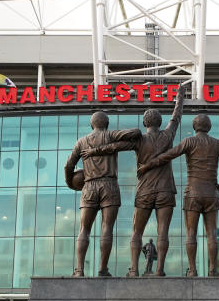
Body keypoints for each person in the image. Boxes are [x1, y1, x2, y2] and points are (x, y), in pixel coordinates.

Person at [80, 84, 186, 276]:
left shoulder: (138, 140)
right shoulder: (168, 135)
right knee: (163, 232)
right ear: (159, 122)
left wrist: (93, 151)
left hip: (144, 190)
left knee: (137, 232)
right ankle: (160, 270)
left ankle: (134, 269)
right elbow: (176, 117)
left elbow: (114, 147)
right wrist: (180, 98)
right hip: (165, 190)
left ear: (145, 123)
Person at [136, 115, 219, 276]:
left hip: (193, 193)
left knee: (191, 233)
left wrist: (147, 166)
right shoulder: (218, 144)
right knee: (212, 233)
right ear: (209, 127)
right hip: (211, 192)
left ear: (194, 127)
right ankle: (213, 270)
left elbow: (167, 156)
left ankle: (192, 270)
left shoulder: (189, 142)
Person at [63, 112, 140, 276]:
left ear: (92, 125)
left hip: (89, 186)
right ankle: (103, 269)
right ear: (106, 124)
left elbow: (68, 166)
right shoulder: (111, 135)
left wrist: (71, 184)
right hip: (109, 185)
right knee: (107, 228)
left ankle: (79, 270)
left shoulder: (81, 142)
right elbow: (136, 132)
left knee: (84, 229)